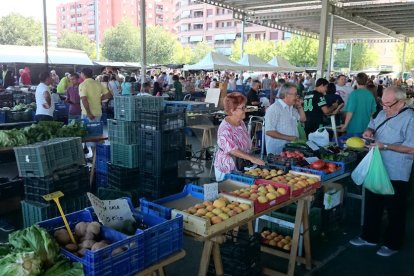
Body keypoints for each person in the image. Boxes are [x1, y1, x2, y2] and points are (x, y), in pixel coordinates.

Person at [350, 86, 414, 257]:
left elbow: (412, 148)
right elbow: (372, 125)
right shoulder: (382, 113)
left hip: (397, 169)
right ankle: (369, 236)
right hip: (377, 165)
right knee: (373, 202)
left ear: (401, 102)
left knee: (395, 208)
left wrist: (385, 145)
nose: (384, 107)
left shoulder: (410, 118)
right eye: (382, 103)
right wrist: (369, 131)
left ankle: (393, 243)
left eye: (388, 104)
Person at [214, 92, 265, 181]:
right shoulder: (225, 129)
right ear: (232, 110)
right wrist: (252, 158)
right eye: (242, 108)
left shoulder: (240, 122)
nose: (245, 110)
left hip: (241, 165)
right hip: (228, 168)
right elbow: (232, 150)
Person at [265, 83, 306, 154]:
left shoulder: (292, 108)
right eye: (295, 94)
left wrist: (299, 106)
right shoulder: (274, 109)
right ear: (286, 95)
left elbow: (303, 119)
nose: (297, 97)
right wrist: (290, 138)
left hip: (290, 149)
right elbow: (269, 131)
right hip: (277, 151)